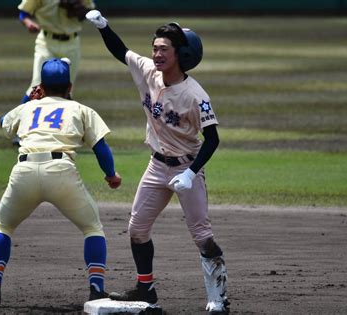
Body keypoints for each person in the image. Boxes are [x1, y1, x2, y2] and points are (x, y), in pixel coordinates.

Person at [85, 10, 230, 315]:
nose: (157, 54)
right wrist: (103, 27)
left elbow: (213, 138)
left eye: (164, 49)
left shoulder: (195, 95)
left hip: (185, 167)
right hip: (156, 166)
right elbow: (121, 51)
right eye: (155, 48)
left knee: (203, 237)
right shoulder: (149, 71)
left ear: (180, 54)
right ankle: (145, 289)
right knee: (137, 228)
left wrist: (191, 173)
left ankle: (218, 297)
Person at [0, 58, 121, 307]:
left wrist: (28, 99)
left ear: (41, 86)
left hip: (24, 171)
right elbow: (100, 147)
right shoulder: (81, 109)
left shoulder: (29, 108)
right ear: (69, 86)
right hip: (61, 172)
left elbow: (4, 122)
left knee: (3, 226)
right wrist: (111, 175)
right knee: (92, 228)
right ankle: (96, 290)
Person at [18, 0, 95, 104]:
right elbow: (23, 13)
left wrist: (81, 12)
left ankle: (64, 119)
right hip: (46, 43)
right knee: (37, 86)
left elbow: (90, 12)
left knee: (67, 89)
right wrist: (28, 23)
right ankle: (15, 118)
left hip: (72, 43)